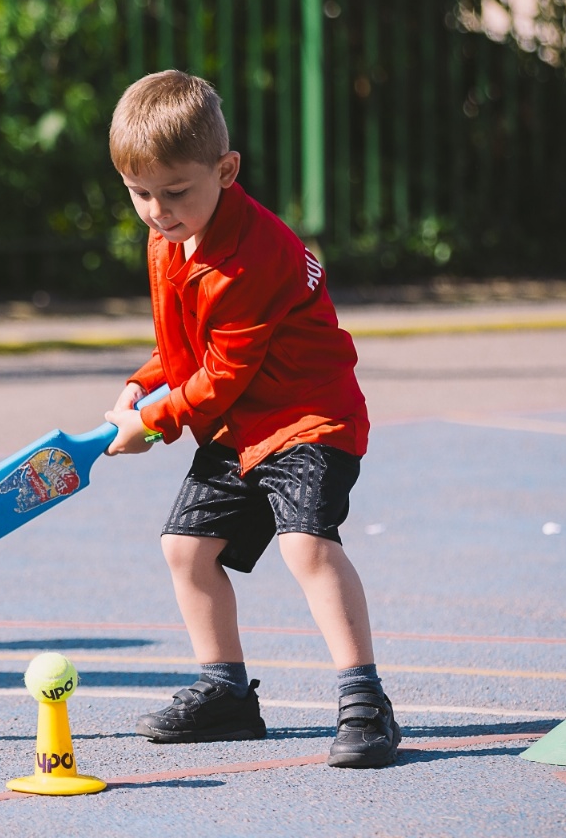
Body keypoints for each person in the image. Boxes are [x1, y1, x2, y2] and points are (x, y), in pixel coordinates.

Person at [101, 71, 399, 769]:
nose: (158, 211)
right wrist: (140, 384)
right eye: (140, 193)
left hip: (307, 418)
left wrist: (154, 423)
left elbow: (223, 374)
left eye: (176, 191)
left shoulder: (249, 258)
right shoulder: (172, 240)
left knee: (306, 545)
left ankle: (365, 698)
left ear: (226, 170)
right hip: (240, 424)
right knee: (186, 549)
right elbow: (186, 347)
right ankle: (227, 692)